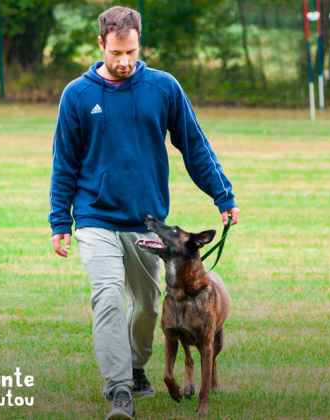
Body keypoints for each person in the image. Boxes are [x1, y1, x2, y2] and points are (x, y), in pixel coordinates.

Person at [48, 6, 240, 420]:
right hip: (95, 216)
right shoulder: (77, 95)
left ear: (140, 43)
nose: (124, 62)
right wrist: (60, 221)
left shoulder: (163, 88)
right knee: (107, 298)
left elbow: (194, 145)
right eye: (116, 52)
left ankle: (136, 368)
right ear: (101, 45)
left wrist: (222, 194)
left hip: (147, 225)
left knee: (149, 306)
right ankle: (120, 390)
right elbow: (64, 162)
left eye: (131, 51)